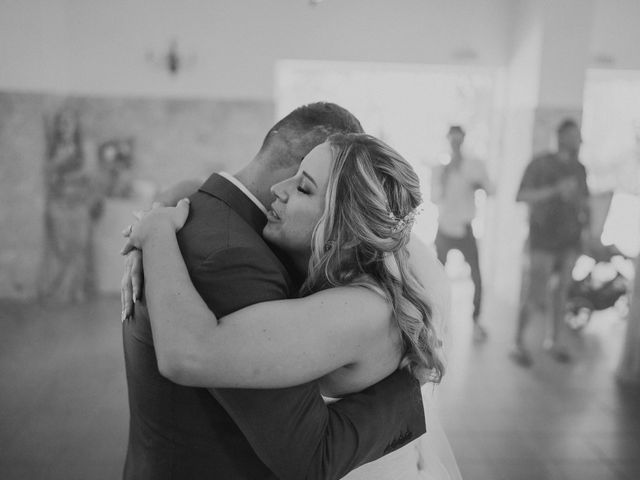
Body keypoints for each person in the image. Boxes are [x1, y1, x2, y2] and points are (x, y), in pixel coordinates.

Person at [122, 132, 461, 479]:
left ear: (343, 227)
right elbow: (199, 190)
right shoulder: (354, 277)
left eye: (304, 188)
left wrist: (155, 235)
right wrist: (167, 204)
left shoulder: (360, 310)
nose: (278, 188)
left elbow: (188, 353)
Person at [511, 118, 591, 366]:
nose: (578, 140)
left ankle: (554, 341)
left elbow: (585, 202)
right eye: (574, 135)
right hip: (542, 240)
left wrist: (588, 230)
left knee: (561, 294)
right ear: (562, 136)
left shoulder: (580, 168)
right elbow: (521, 195)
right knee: (534, 295)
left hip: (569, 242)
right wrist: (555, 190)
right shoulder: (540, 164)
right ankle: (518, 342)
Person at [431, 125, 494, 341]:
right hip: (444, 229)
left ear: (464, 140)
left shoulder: (475, 165)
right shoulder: (440, 168)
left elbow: (491, 189)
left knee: (476, 276)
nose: (456, 144)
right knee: (436, 277)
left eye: (459, 140)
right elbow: (434, 197)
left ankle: (476, 320)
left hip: (466, 229)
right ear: (448, 140)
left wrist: (478, 184)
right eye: (453, 140)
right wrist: (445, 178)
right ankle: (435, 320)